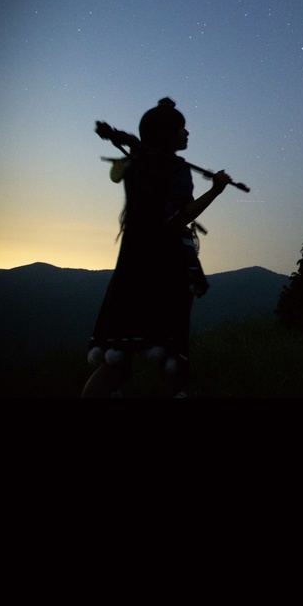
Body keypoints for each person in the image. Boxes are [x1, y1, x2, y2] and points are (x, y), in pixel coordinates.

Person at [82, 98, 231, 398]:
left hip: (130, 270)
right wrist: (215, 190)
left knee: (118, 362)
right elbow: (178, 217)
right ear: (167, 134)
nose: (187, 134)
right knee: (170, 363)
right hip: (165, 272)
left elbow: (138, 148)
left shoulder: (138, 164)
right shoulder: (173, 168)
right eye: (181, 128)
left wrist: (124, 136)